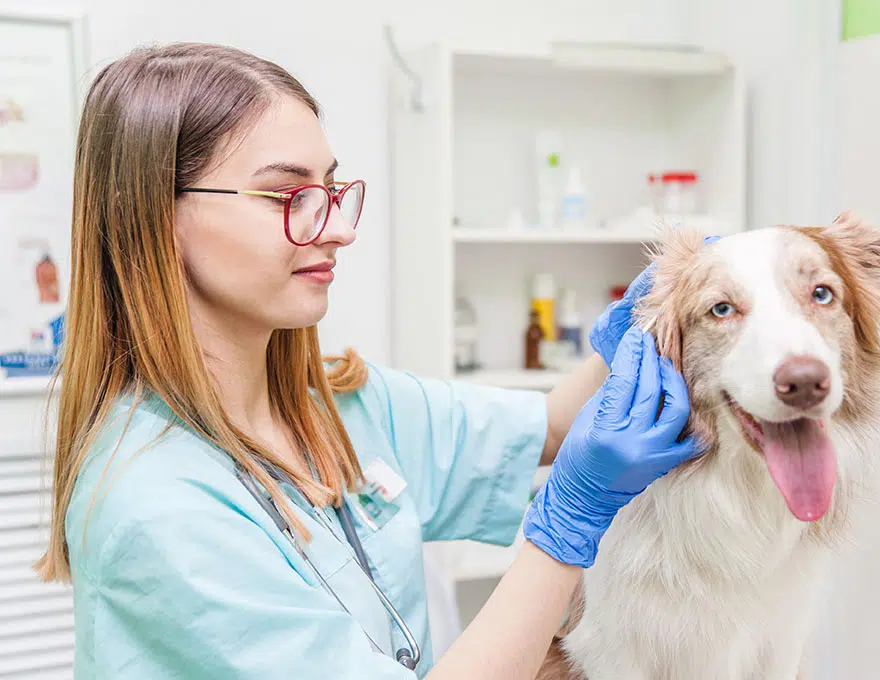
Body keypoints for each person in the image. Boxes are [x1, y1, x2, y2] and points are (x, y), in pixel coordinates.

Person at [35, 43, 703, 680]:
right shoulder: (157, 506)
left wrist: (645, 324)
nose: (339, 228)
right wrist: (567, 525)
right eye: (287, 196)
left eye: (330, 189)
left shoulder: (336, 403)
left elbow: (551, 427)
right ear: (157, 215)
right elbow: (570, 467)